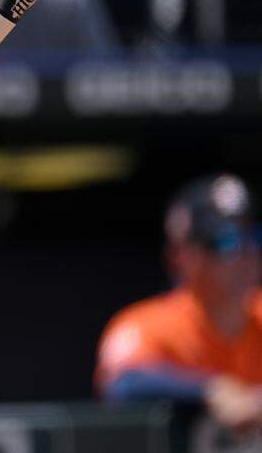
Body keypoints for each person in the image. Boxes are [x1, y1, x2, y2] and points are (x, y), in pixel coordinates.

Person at [96, 174, 262, 432]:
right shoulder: (147, 324)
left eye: (254, 236)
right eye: (226, 241)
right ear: (181, 256)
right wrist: (211, 390)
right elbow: (123, 384)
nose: (246, 254)